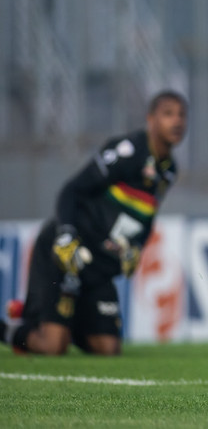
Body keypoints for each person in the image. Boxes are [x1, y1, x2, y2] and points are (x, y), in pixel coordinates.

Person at [0, 90, 188, 356]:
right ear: (150, 119)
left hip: (99, 266)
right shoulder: (128, 151)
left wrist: (135, 246)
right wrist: (66, 234)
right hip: (69, 253)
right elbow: (72, 191)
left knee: (109, 349)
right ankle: (16, 328)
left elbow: (146, 217)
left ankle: (45, 320)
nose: (177, 121)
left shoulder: (168, 170)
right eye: (168, 114)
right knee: (54, 347)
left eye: (182, 115)